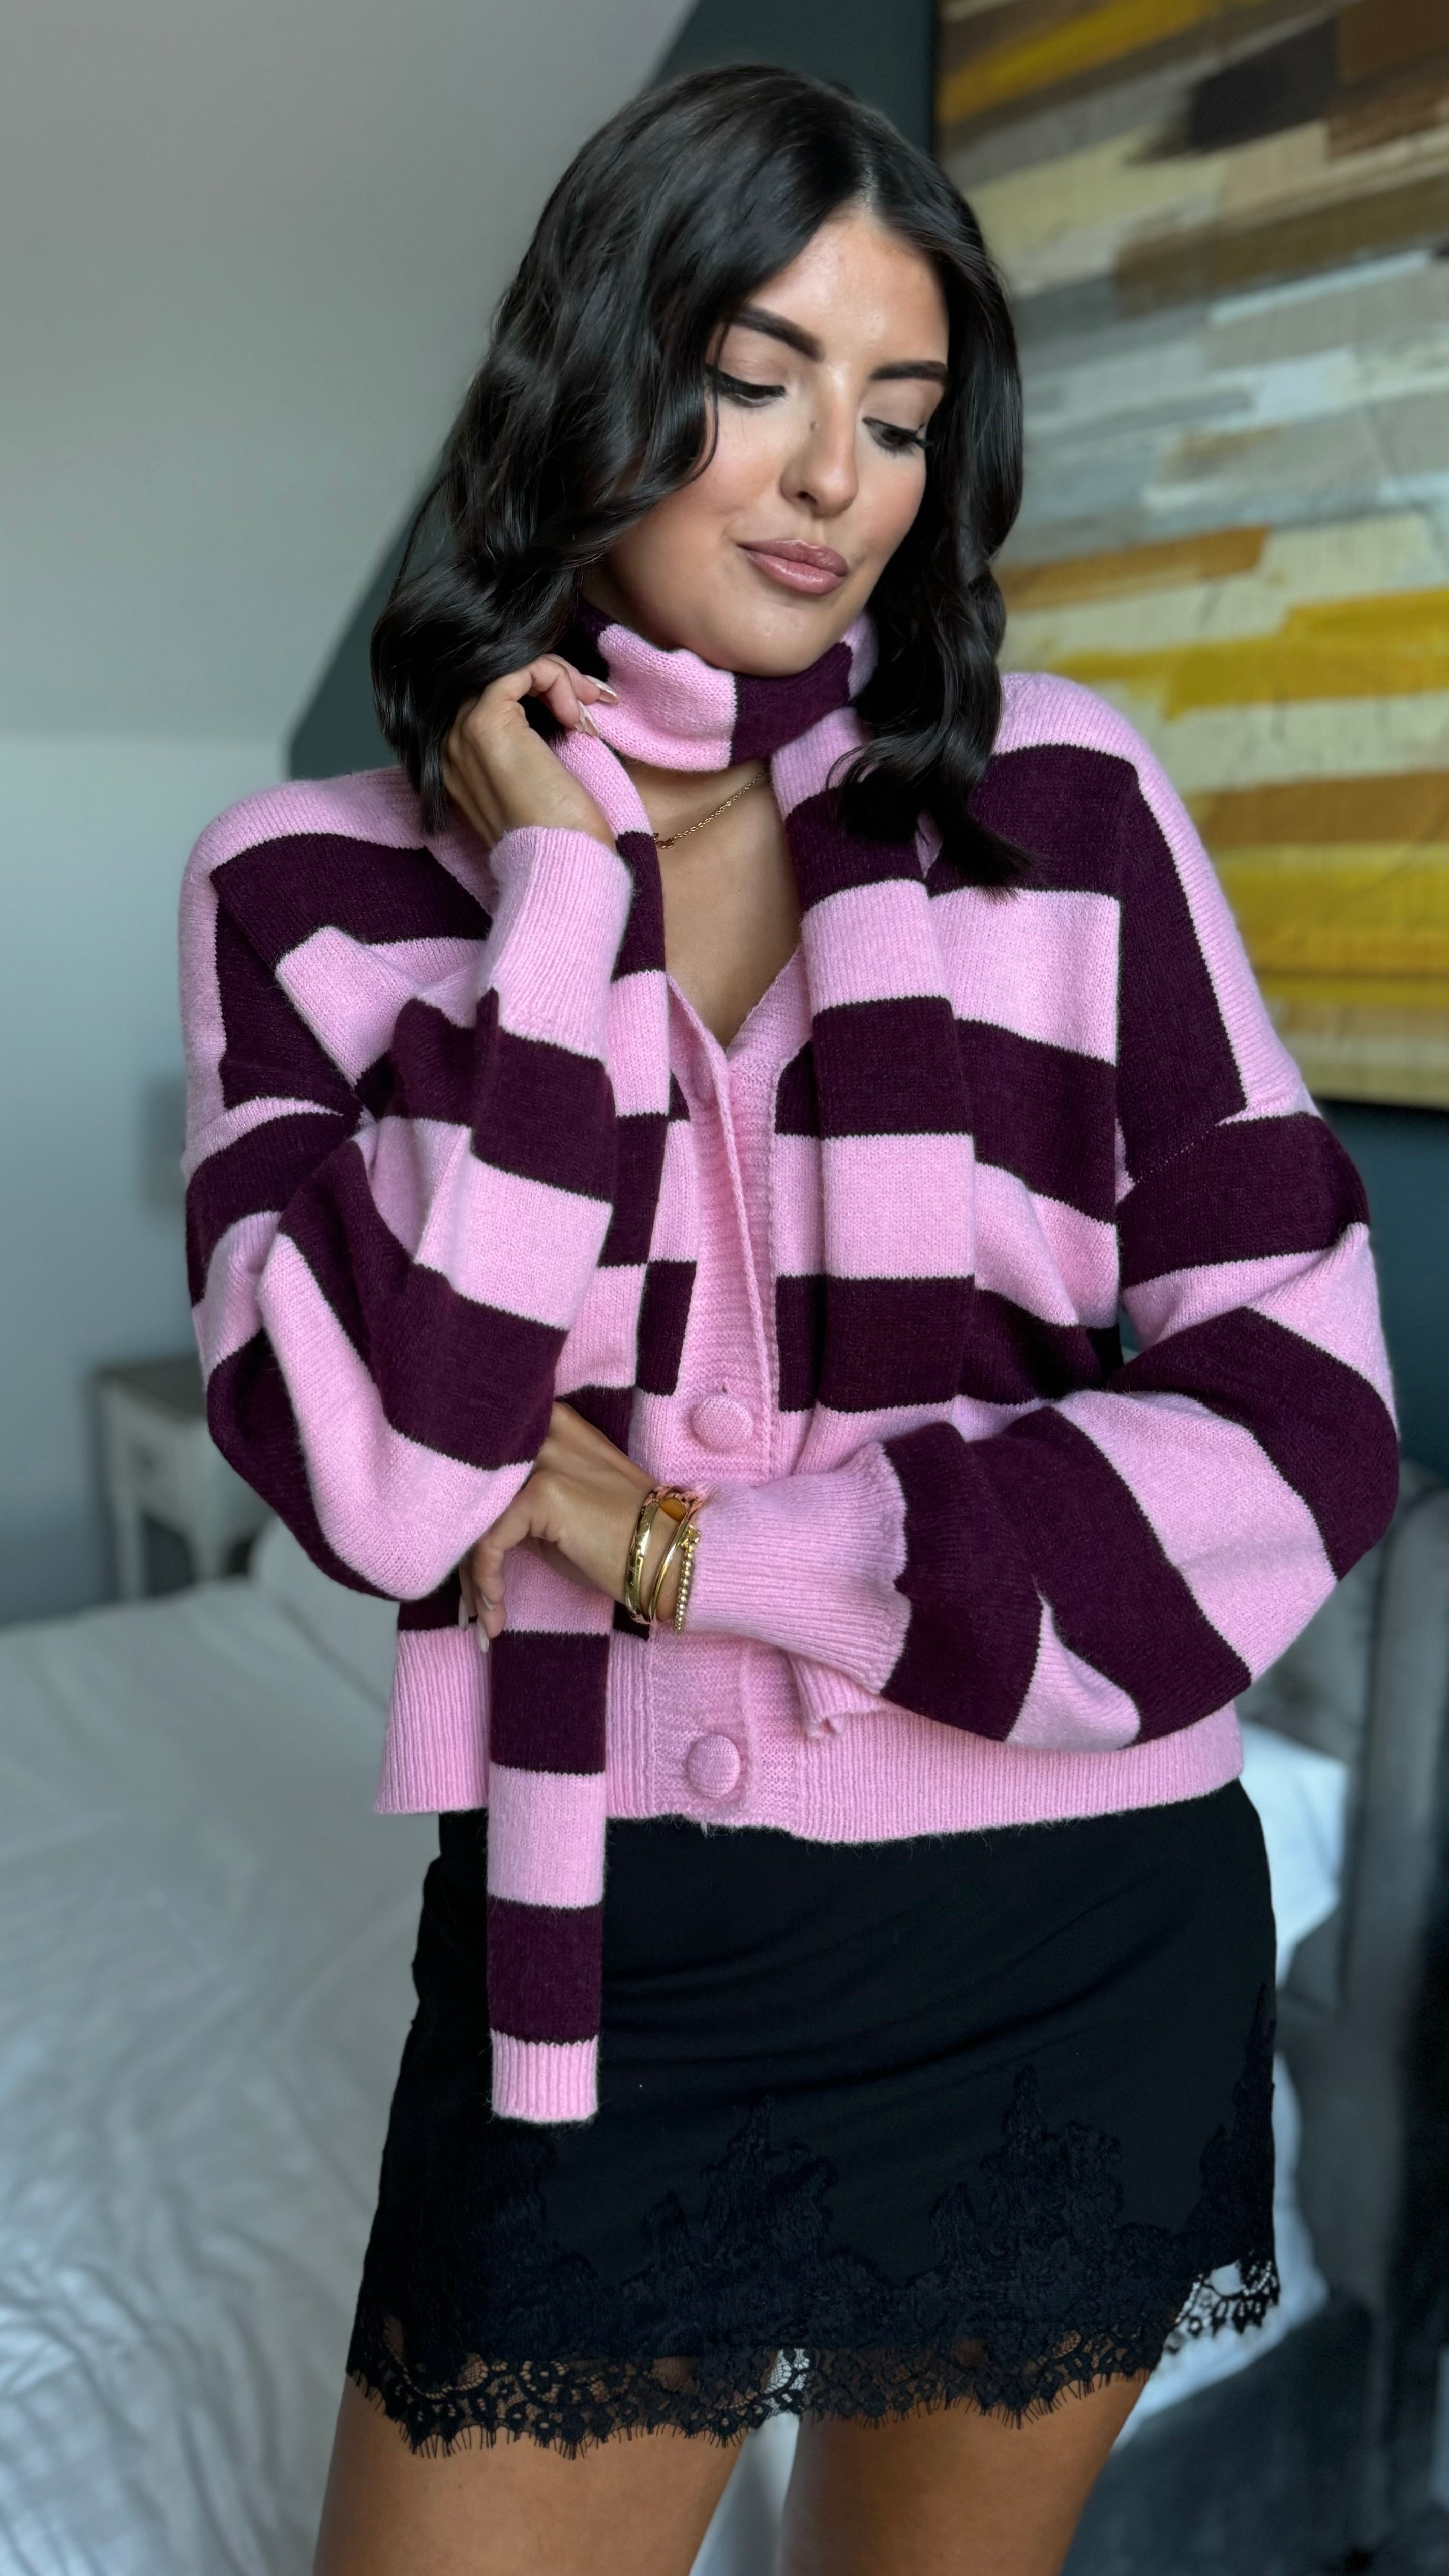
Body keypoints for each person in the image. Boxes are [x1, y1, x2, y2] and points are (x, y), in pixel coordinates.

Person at [179, 64, 1399, 2576]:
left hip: (1067, 1943)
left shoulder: (1064, 810)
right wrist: (554, 913)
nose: (835, 476)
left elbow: (1304, 1410)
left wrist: (696, 1552)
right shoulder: (305, 890)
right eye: (754, 379)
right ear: (595, 371)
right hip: (600, 1968)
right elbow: (393, 1477)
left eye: (900, 412)